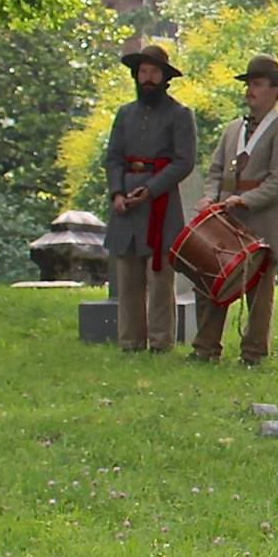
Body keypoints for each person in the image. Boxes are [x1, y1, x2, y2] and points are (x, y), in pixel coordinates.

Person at [191, 55, 278, 366]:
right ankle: (205, 348)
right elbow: (215, 171)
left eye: (257, 84)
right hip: (225, 221)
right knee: (212, 281)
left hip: (263, 220)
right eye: (248, 84)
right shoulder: (232, 129)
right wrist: (210, 197)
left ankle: (253, 353)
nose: (250, 90)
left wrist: (246, 200)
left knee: (259, 292)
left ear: (276, 89)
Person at [103, 43, 197, 353]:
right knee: (127, 278)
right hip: (125, 206)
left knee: (159, 281)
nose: (148, 78)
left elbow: (184, 161)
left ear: (165, 77)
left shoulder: (180, 114)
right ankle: (130, 341)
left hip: (160, 204)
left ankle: (160, 342)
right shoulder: (125, 114)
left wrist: (151, 189)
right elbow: (113, 157)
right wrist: (117, 192)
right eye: (143, 71)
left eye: (154, 72)